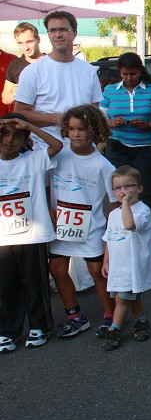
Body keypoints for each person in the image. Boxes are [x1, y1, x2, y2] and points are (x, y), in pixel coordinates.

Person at [48, 106, 117, 339]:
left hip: (91, 227)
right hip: (61, 224)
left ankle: (111, 315)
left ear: (95, 131)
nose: (76, 134)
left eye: (82, 129)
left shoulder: (103, 166)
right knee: (57, 268)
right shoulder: (57, 155)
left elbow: (115, 201)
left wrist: (111, 233)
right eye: (71, 129)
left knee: (97, 271)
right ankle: (74, 316)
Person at [0, 114, 62, 353]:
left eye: (17, 136)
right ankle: (8, 330)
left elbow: (56, 146)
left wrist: (29, 126)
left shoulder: (34, 159)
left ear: (25, 139)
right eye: (5, 134)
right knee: (6, 285)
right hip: (4, 237)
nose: (9, 141)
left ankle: (40, 326)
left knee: (35, 282)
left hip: (32, 234)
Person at [14, 12, 101, 150]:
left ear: (74, 33)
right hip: (47, 152)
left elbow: (95, 111)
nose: (58, 34)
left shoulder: (89, 71)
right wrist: (56, 119)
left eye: (63, 29)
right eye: (52, 30)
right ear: (48, 34)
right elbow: (20, 114)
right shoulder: (32, 72)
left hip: (83, 152)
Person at [100, 166, 151, 351]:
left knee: (122, 299)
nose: (122, 191)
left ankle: (114, 329)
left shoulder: (143, 211)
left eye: (128, 186)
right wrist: (106, 260)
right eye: (117, 188)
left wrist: (125, 205)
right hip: (119, 265)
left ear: (140, 188)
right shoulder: (113, 214)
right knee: (130, 295)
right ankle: (141, 321)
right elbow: (109, 238)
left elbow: (129, 224)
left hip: (133, 264)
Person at [100, 52, 151, 208]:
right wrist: (112, 122)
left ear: (140, 71)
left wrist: (148, 125)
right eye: (124, 74)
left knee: (143, 190)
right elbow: (99, 119)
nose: (129, 78)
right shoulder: (110, 90)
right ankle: (120, 227)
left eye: (133, 74)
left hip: (145, 149)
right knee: (119, 191)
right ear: (120, 72)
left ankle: (144, 227)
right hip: (117, 148)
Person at [2, 22, 44, 109]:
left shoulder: (51, 63)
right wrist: (15, 92)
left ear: (38, 40)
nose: (25, 47)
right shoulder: (15, 65)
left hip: (49, 118)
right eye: (20, 43)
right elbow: (5, 99)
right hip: (23, 120)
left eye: (29, 42)